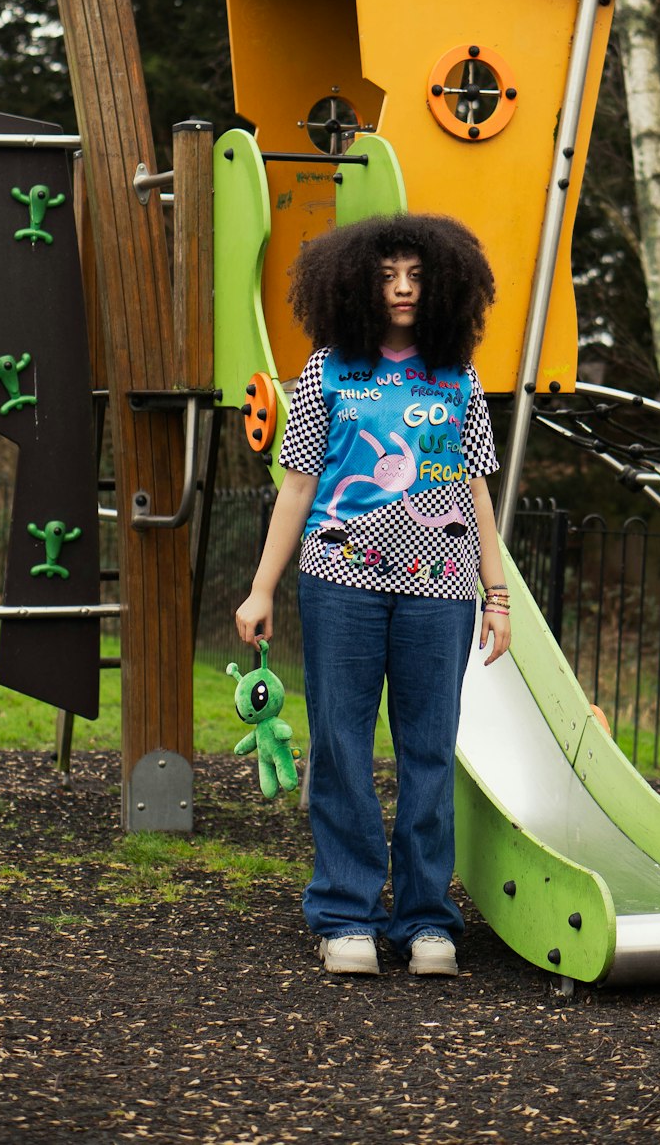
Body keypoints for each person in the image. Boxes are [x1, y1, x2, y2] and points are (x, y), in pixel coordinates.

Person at [235, 212, 511, 978]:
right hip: (340, 588)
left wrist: (498, 596)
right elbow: (296, 486)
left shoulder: (458, 378)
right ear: (357, 282)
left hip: (443, 593)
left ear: (444, 287)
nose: (401, 289)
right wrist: (261, 590)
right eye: (387, 275)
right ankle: (346, 913)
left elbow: (477, 493)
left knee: (429, 752)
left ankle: (426, 919)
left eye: (417, 277)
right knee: (341, 749)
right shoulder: (327, 372)